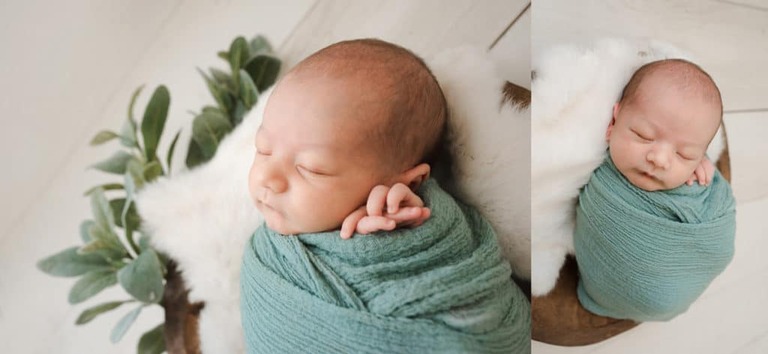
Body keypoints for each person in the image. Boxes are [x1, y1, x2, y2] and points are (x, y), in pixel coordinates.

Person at [240, 38, 530, 353]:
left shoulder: (418, 220)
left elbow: (485, 326)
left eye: (311, 169)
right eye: (263, 149)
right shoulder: (273, 258)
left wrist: (393, 243)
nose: (268, 178)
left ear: (410, 183)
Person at [574, 58, 737, 321]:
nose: (659, 159)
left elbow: (718, 248)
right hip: (602, 284)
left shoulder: (697, 184)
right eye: (643, 135)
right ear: (613, 121)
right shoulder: (588, 157)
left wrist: (699, 165)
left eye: (684, 153)